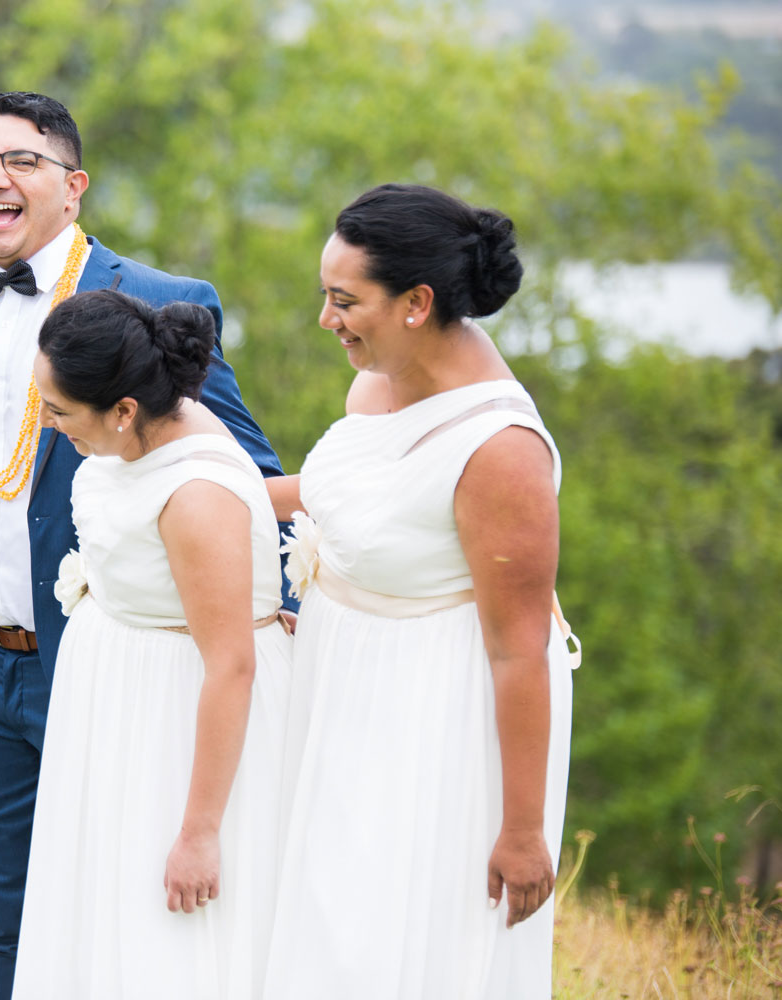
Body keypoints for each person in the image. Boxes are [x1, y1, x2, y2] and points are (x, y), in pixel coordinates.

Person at [0, 91, 290, 1000]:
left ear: (74, 186)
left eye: (20, 161)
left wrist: (269, 627)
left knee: (119, 899)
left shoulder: (159, 301)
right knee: (0, 911)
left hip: (107, 659)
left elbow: (242, 478)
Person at [263, 183, 575, 997]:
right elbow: (349, 494)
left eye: (343, 300)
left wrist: (523, 830)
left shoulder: (500, 449)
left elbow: (520, 651)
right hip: (344, 691)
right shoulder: (378, 381)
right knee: (322, 927)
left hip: (435, 718)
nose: (326, 319)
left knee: (392, 943)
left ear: (416, 302)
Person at [10, 290, 292, 998]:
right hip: (118, 705)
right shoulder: (148, 417)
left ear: (124, 410)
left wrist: (199, 831)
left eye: (60, 412)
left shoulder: (197, 496)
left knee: (168, 933)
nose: (47, 423)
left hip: (177, 721)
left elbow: (231, 665)